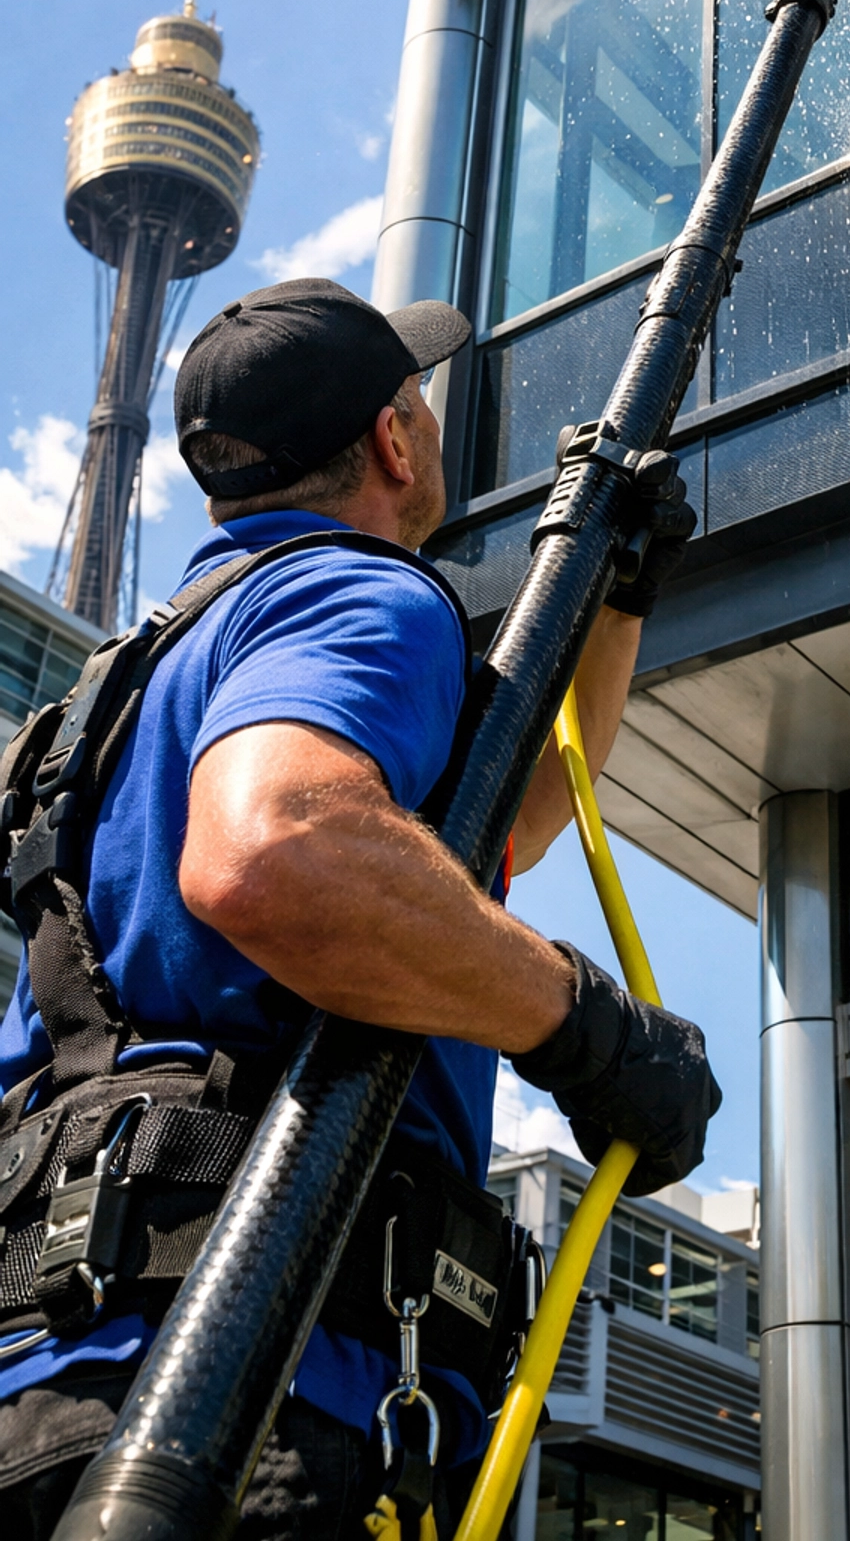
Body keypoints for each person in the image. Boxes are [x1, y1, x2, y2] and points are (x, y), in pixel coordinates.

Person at [0, 277, 719, 1536]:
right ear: (395, 439)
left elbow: (507, 828)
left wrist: (615, 598)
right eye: (418, 400)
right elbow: (281, 852)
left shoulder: (143, 678)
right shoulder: (354, 594)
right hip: (254, 1398)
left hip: (61, 1381)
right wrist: (589, 1034)